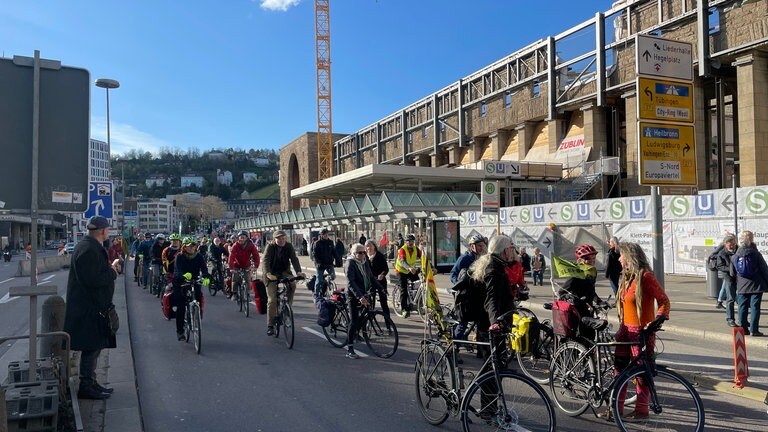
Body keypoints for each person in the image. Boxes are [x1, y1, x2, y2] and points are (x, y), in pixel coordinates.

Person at [608, 241, 671, 420]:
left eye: (622, 255)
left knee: (642, 372)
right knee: (619, 371)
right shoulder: (627, 278)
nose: (619, 259)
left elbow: (664, 301)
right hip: (625, 331)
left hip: (641, 333)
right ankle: (616, 410)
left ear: (630, 257)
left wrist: (657, 320)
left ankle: (642, 410)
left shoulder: (646, 277)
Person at [63, 216, 120, 400]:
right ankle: (86, 385)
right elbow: (93, 279)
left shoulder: (88, 246)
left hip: (91, 308)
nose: (108, 233)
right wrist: (111, 271)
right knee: (91, 347)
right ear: (103, 231)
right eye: (107, 230)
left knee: (93, 347)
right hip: (88, 309)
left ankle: (91, 382)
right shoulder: (88, 249)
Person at [558, 243, 607, 341]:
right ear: (581, 260)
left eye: (593, 258)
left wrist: (599, 301)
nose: (592, 261)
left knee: (590, 338)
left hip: (588, 308)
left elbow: (591, 290)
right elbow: (562, 291)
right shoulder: (576, 273)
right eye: (588, 258)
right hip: (577, 310)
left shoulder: (592, 271)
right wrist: (574, 300)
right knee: (579, 338)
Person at [262, 231, 305, 336]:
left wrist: (298, 271)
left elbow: (294, 259)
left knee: (292, 284)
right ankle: (270, 325)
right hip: (271, 274)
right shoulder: (270, 247)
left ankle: (287, 308)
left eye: (283, 239)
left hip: (284, 272)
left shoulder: (288, 246)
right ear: (274, 239)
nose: (281, 241)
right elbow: (265, 261)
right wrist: (268, 274)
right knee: (272, 300)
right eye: (279, 239)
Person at [344, 243, 380, 359]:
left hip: (363, 292)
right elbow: (351, 283)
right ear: (354, 254)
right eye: (360, 253)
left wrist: (381, 288)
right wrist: (360, 297)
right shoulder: (350, 263)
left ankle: (356, 332)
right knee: (353, 321)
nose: (363, 254)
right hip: (353, 294)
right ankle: (349, 349)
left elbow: (370, 277)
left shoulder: (364, 262)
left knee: (365, 315)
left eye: (364, 252)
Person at [172, 236, 211, 340]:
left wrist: (206, 277)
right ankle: (180, 331)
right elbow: (177, 270)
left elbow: (204, 269)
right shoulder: (179, 257)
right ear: (184, 247)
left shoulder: (199, 256)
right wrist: (183, 275)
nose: (191, 248)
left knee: (198, 298)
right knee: (181, 306)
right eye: (189, 246)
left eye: (193, 246)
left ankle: (196, 315)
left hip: (194, 281)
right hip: (181, 282)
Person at [730, 230, 768, 336]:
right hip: (756, 285)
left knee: (742, 307)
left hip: (742, 286)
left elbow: (732, 273)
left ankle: (743, 330)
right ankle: (754, 330)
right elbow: (764, 270)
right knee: (755, 307)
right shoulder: (756, 254)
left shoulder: (735, 256)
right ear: (750, 241)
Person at [228, 230, 261, 302]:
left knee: (248, 280)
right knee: (235, 278)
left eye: (243, 237)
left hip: (246, 265)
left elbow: (256, 256)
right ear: (238, 238)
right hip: (236, 265)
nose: (242, 239)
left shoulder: (251, 245)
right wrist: (231, 268)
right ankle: (235, 294)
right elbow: (231, 257)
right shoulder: (235, 245)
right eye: (240, 237)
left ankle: (247, 294)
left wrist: (255, 266)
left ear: (247, 238)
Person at [394, 233, 422, 318]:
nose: (411, 243)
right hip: (401, 271)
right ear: (406, 242)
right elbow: (402, 261)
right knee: (404, 290)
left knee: (418, 285)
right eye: (409, 241)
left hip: (410, 270)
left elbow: (423, 258)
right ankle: (404, 309)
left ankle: (418, 305)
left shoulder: (416, 249)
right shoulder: (402, 249)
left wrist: (431, 267)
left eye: (412, 241)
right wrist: (409, 268)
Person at [714, 234, 738, 327]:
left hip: (740, 278)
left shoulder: (739, 250)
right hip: (729, 277)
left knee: (742, 300)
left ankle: (743, 320)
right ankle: (730, 319)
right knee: (731, 299)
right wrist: (731, 269)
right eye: (729, 244)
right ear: (725, 244)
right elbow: (720, 266)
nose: (732, 246)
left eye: (733, 243)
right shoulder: (722, 253)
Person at [365, 239, 391, 319]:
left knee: (383, 303)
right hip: (370, 281)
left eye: (370, 245)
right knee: (370, 302)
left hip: (380, 281)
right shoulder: (364, 256)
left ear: (374, 246)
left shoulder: (379, 256)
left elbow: (386, 268)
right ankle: (370, 321)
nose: (368, 247)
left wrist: (382, 274)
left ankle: (388, 324)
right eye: (367, 246)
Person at [312, 228, 337, 296]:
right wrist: (317, 263)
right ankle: (316, 294)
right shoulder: (317, 243)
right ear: (321, 235)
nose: (326, 235)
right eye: (324, 234)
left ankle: (327, 282)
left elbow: (334, 252)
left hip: (329, 263)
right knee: (319, 280)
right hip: (320, 264)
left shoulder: (330, 242)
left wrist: (338, 261)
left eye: (327, 234)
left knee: (333, 276)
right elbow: (314, 255)